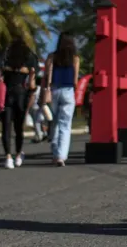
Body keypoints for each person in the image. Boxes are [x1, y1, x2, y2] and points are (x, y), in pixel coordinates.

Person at [0, 38, 39, 169]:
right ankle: (17, 156)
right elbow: (32, 81)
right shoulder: (29, 58)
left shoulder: (5, 57)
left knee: (6, 128)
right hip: (21, 94)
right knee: (18, 128)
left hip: (6, 94)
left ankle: (8, 157)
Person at [44, 33, 80, 166]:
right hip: (68, 91)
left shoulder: (52, 56)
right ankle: (61, 156)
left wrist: (45, 90)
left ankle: (55, 152)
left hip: (54, 90)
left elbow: (46, 75)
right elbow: (75, 80)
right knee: (65, 125)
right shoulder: (75, 58)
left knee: (54, 122)